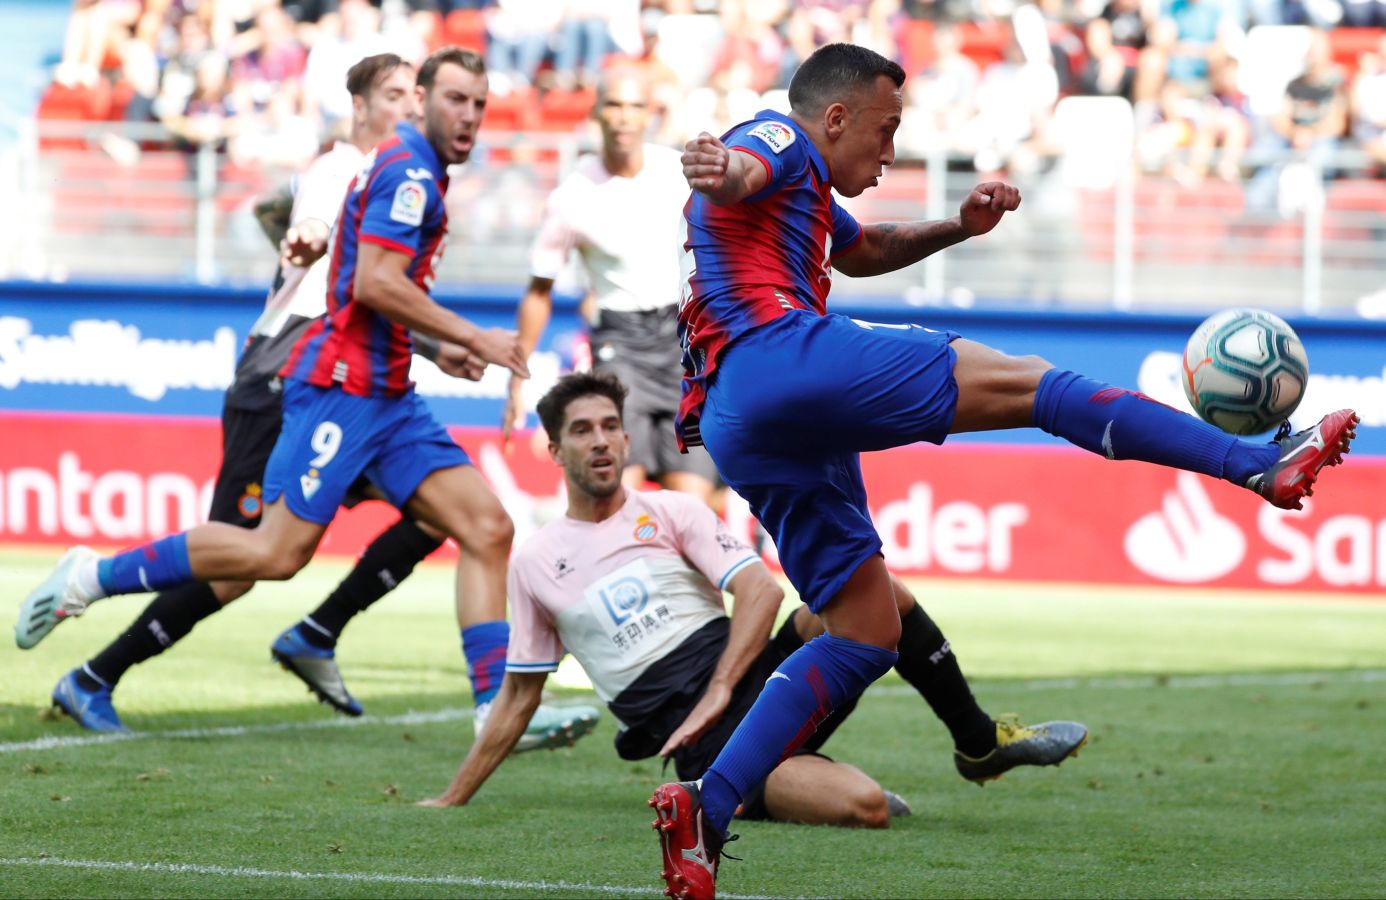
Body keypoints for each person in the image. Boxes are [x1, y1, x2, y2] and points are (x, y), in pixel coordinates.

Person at [651, 42, 1360, 900]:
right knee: (1036, 385)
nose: (890, 150)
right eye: (885, 131)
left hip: (738, 415)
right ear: (834, 118)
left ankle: (707, 809)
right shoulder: (776, 137)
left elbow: (861, 249)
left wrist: (958, 226)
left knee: (866, 633)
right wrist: (718, 166)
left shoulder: (805, 197)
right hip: (778, 356)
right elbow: (738, 168)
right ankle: (1258, 464)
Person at [16, 46, 598, 752]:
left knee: (486, 527)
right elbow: (372, 283)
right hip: (337, 390)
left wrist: (436, 345)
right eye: (454, 100)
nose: (469, 116)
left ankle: (490, 705)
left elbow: (370, 281)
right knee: (270, 554)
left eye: (479, 103)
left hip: (389, 394)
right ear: (419, 100)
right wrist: (471, 331)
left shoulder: (414, 169)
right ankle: (91, 577)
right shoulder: (406, 170)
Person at [418, 371, 1085, 821]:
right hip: (696, 742)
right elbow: (519, 695)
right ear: (554, 448)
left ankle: (977, 741)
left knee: (882, 595)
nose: (601, 441)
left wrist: (721, 688)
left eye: (610, 426)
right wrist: (452, 798)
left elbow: (759, 592)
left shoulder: (671, 511)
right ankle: (785, 778)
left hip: (754, 675)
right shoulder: (535, 561)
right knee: (865, 808)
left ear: (626, 435)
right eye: (583, 430)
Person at [501, 66, 720, 504]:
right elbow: (538, 291)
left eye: (635, 106)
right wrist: (515, 378)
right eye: (614, 105)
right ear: (597, 113)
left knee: (692, 506)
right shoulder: (572, 196)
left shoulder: (676, 172)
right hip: (620, 343)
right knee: (620, 497)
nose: (624, 116)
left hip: (683, 345)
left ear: (649, 115)